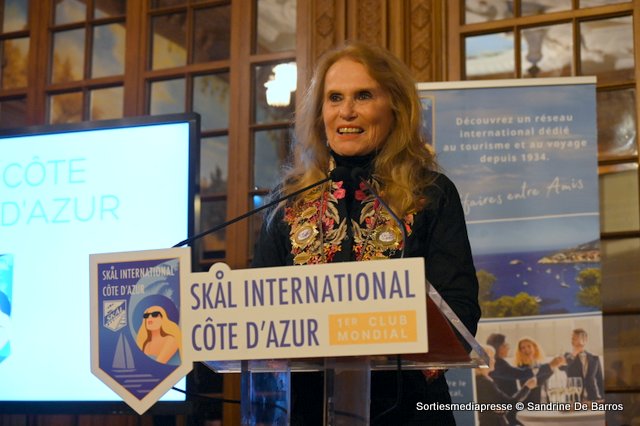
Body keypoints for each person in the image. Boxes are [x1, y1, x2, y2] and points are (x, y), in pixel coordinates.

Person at [252, 41, 481, 425]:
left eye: (363, 96)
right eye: (334, 98)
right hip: (309, 408)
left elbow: (460, 307)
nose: (346, 111)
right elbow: (259, 309)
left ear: (394, 106)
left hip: (407, 410)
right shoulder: (287, 201)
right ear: (320, 112)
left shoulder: (431, 193)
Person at [475, 345, 537, 426]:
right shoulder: (484, 382)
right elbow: (509, 404)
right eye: (492, 358)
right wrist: (527, 387)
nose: (494, 361)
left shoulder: (481, 380)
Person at [514, 337, 566, 404]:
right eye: (523, 348)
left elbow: (543, 377)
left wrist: (555, 365)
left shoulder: (538, 365)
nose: (526, 349)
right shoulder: (520, 369)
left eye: (529, 346)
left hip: (544, 403)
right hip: (530, 406)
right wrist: (551, 365)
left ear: (535, 348)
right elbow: (535, 380)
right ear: (520, 351)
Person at [563, 328, 604, 402]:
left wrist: (603, 398)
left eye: (575, 338)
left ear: (585, 340)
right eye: (572, 338)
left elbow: (600, 381)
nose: (572, 341)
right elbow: (562, 367)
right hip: (573, 400)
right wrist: (573, 354)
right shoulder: (567, 357)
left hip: (592, 399)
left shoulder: (595, 359)